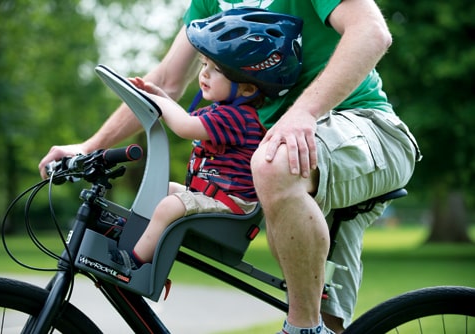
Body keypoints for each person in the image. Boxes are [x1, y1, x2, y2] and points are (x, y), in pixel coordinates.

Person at [39, 2, 421, 334]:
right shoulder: (210, 2)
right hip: (289, 155)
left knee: (274, 163)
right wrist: (89, 148)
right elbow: (165, 83)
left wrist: (303, 111)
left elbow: (372, 31)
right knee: (331, 315)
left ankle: (303, 329)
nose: (206, 72)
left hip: (365, 128)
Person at [109, 9, 303, 269]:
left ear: (247, 88)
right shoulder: (221, 112)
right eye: (203, 65)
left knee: (169, 206)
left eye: (216, 69)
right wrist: (158, 94)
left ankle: (132, 262)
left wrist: (156, 101)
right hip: (213, 195)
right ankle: (130, 230)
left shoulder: (237, 118)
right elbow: (184, 119)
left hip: (231, 205)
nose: (204, 74)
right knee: (163, 189)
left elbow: (184, 127)